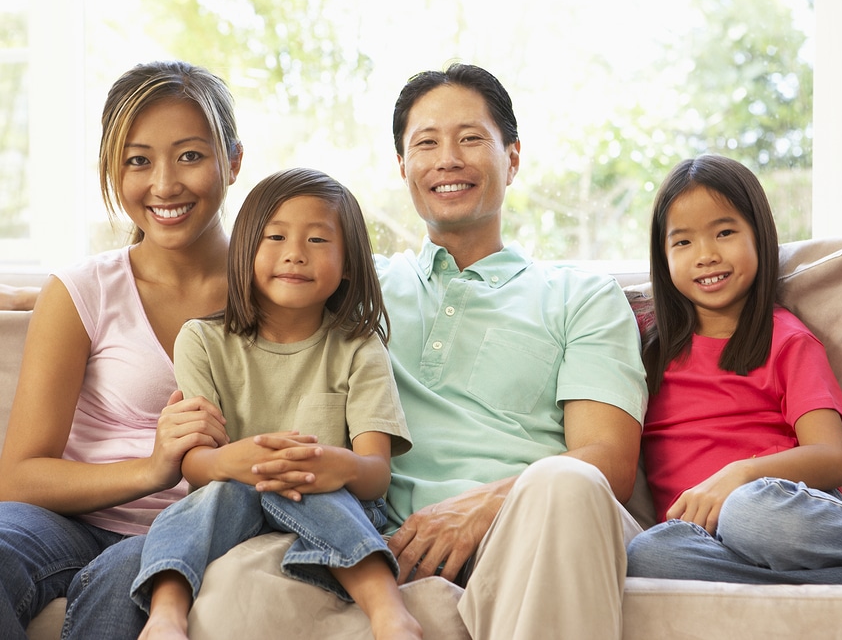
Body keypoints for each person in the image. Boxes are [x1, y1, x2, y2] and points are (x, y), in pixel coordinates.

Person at [243, 63, 648, 639]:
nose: (447, 159)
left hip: (538, 530)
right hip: (385, 537)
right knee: (236, 572)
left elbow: (609, 459)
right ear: (403, 167)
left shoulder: (580, 294)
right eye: (425, 143)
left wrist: (485, 508)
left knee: (567, 481)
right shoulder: (353, 287)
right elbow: (242, 305)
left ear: (512, 157)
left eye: (471, 139)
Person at [0, 60, 242, 638]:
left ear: (233, 160)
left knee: (122, 578)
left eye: (189, 155)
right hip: (65, 522)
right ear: (113, 170)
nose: (163, 184)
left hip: (185, 532)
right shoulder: (81, 291)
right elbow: (18, 478)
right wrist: (154, 468)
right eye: (138, 160)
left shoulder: (282, 292)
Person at [130, 167, 421, 640]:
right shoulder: (201, 340)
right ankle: (165, 615)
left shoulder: (360, 348)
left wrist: (336, 465)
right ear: (245, 250)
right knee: (210, 498)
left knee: (311, 479)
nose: (294, 255)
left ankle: (389, 611)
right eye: (276, 236)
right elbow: (196, 466)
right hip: (233, 495)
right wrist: (232, 460)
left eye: (318, 241)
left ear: (348, 263)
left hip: (329, 501)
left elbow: (376, 472)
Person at [626, 154, 842, 585]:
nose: (706, 255)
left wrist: (741, 474)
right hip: (702, 537)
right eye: (683, 242)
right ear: (663, 257)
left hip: (773, 509)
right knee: (647, 555)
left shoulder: (786, 339)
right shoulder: (647, 351)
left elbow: (831, 458)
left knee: (748, 514)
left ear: (760, 235)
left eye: (724, 232)